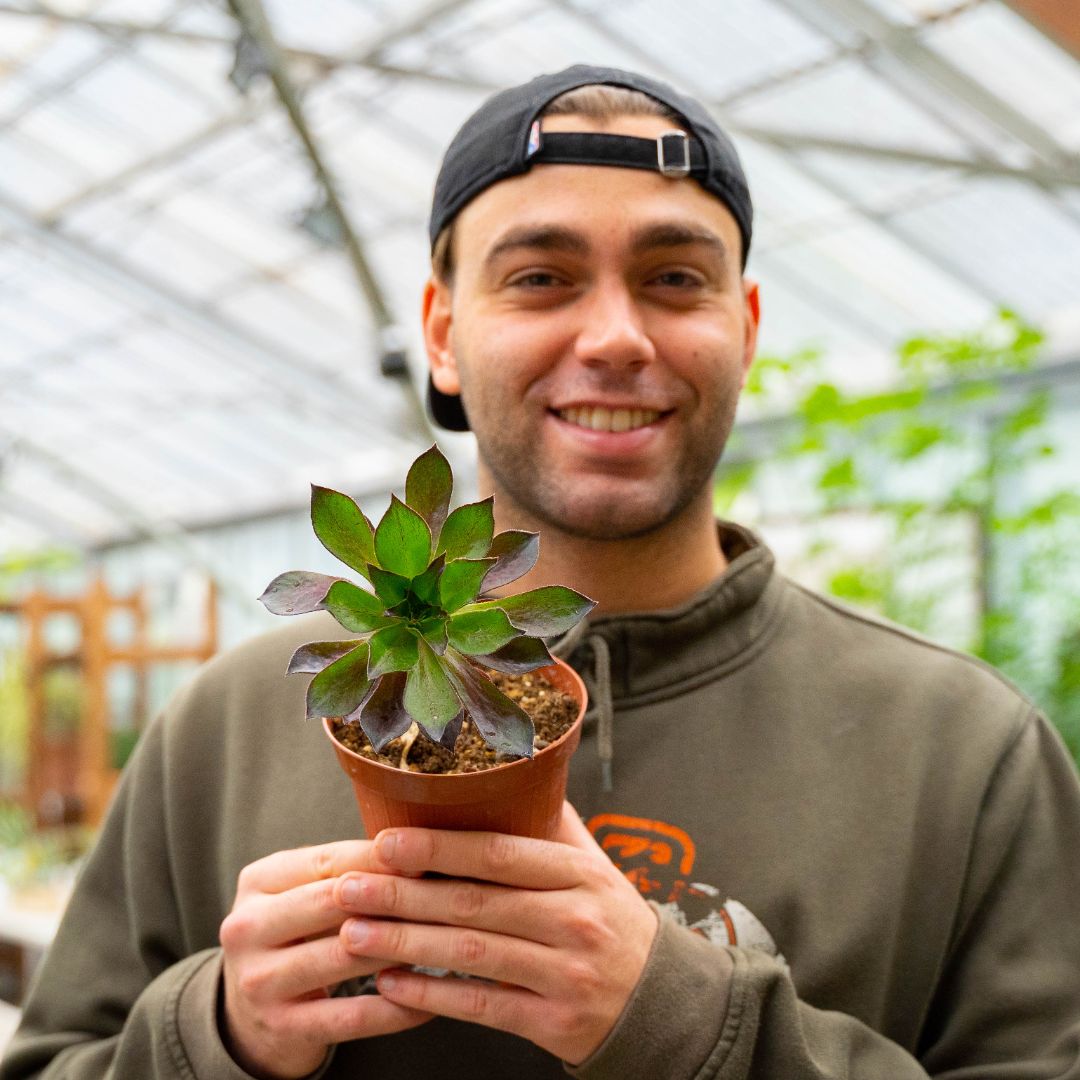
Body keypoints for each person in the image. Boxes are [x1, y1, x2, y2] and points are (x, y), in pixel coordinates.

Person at [4, 64, 1080, 1080]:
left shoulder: (961, 751)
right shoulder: (227, 729)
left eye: (673, 279)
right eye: (540, 279)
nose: (614, 337)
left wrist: (688, 1023)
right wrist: (218, 1034)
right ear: (442, 334)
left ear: (744, 329)